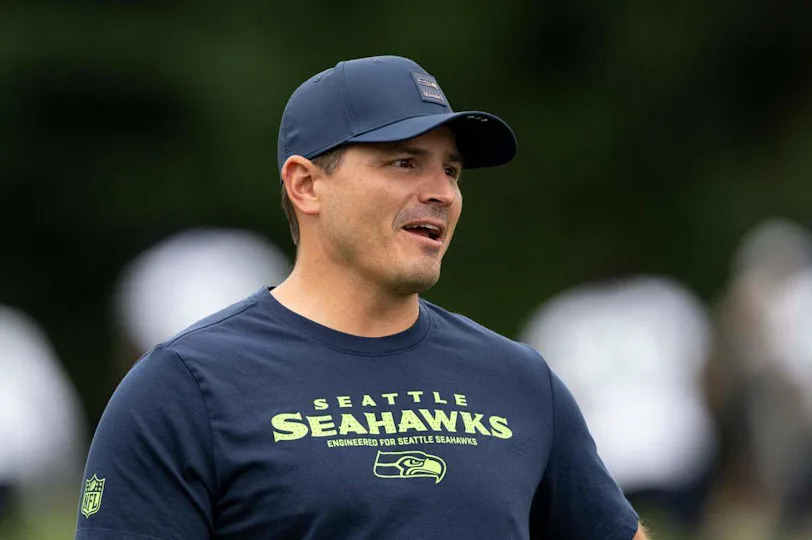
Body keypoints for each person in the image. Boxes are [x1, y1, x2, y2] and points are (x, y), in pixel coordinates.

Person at [75, 55, 648, 539]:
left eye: (451, 170)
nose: (441, 193)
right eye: (404, 163)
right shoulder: (183, 388)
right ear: (305, 184)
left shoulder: (521, 380)